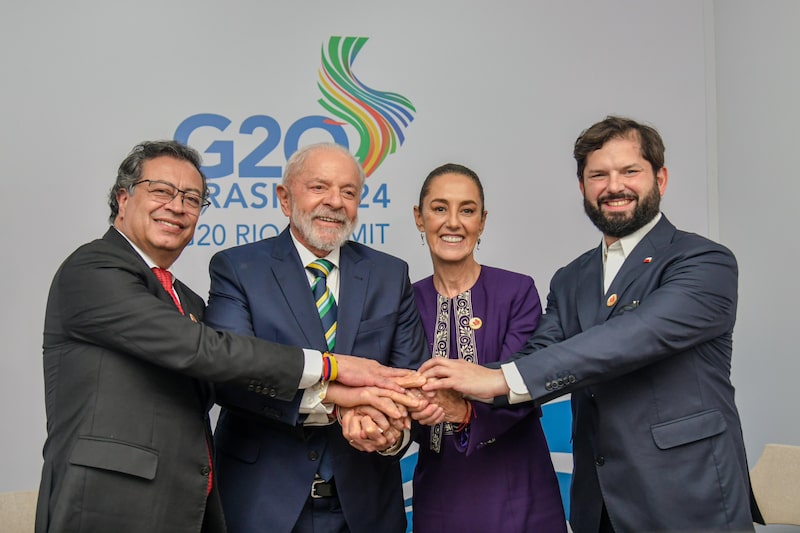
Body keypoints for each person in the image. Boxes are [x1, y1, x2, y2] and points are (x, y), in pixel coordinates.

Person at [37, 140, 409, 533]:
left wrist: (355, 405)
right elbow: (206, 352)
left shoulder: (186, 300)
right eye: (161, 191)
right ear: (123, 198)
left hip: (181, 503)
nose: (177, 207)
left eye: (192, 199)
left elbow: (215, 378)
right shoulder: (93, 270)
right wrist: (332, 370)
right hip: (106, 504)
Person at [419, 117, 761, 532]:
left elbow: (632, 337)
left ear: (661, 178)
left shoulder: (704, 261)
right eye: (598, 175)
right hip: (598, 505)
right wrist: (448, 395)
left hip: (687, 498)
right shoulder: (571, 278)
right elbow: (539, 355)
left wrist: (494, 379)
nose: (614, 186)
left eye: (629, 171)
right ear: (582, 188)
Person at [205, 142, 429, 533]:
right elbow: (230, 376)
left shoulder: (390, 275)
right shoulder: (238, 269)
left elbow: (409, 380)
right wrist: (339, 403)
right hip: (262, 505)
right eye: (319, 187)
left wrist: (389, 434)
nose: (335, 201)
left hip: (366, 507)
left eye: (348, 191)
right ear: (285, 199)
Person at [409, 163, 567, 532]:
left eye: (467, 210)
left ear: (482, 221)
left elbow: (526, 378)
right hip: (439, 488)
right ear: (419, 218)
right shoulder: (404, 302)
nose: (453, 222)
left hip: (516, 483)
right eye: (439, 208)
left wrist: (464, 412)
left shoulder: (516, 291)